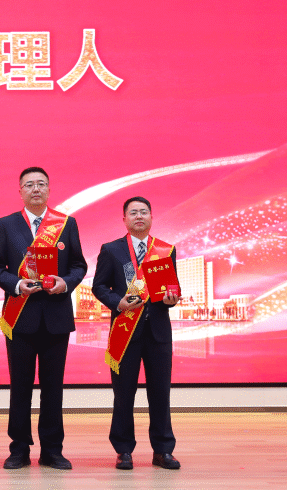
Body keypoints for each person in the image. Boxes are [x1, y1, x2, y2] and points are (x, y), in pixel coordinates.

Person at [0, 167, 88, 471]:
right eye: (29, 184)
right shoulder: (6, 224)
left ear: (49, 189)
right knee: (20, 387)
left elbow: (79, 266)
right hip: (19, 317)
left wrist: (65, 283)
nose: (35, 189)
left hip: (56, 317)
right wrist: (17, 285)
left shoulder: (66, 224)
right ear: (20, 191)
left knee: (53, 388)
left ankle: (52, 450)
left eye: (41, 184)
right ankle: (18, 449)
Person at [91, 196, 182, 471]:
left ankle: (163, 450)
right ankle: (123, 450)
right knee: (124, 394)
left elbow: (171, 288)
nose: (139, 216)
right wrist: (117, 302)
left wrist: (172, 299)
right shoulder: (111, 250)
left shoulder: (165, 250)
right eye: (133, 213)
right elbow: (99, 286)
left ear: (151, 217)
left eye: (144, 212)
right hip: (124, 332)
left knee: (160, 394)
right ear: (124, 219)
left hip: (158, 333)